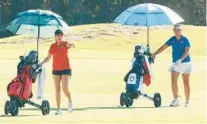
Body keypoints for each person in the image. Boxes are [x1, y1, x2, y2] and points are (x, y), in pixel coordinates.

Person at [152, 24, 192, 107]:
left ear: (181, 31)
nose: (176, 31)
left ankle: (187, 101)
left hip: (185, 63)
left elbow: (186, 52)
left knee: (186, 83)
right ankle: (175, 100)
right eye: (175, 30)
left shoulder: (185, 40)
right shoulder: (172, 39)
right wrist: (155, 53)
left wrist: (180, 59)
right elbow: (163, 47)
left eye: (178, 30)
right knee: (173, 81)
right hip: (175, 63)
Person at [40, 29, 75, 115]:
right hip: (55, 69)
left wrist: (71, 44)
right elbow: (48, 58)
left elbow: (68, 45)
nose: (59, 37)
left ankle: (70, 102)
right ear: (55, 37)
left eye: (60, 35)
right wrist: (41, 63)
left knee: (64, 88)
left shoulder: (64, 43)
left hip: (65, 69)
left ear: (62, 36)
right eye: (57, 35)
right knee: (57, 89)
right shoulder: (52, 46)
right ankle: (59, 109)